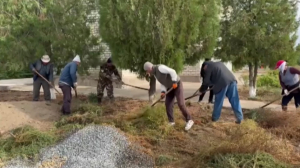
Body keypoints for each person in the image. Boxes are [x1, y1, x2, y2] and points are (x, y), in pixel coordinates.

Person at [144, 62, 194, 131]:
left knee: (181, 104)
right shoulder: (155, 74)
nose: (147, 72)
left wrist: (174, 81)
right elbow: (163, 83)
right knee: (168, 104)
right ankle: (171, 122)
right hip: (170, 88)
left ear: (149, 68)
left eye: (147, 71)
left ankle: (189, 120)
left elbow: (172, 71)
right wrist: (163, 92)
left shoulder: (160, 68)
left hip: (177, 85)